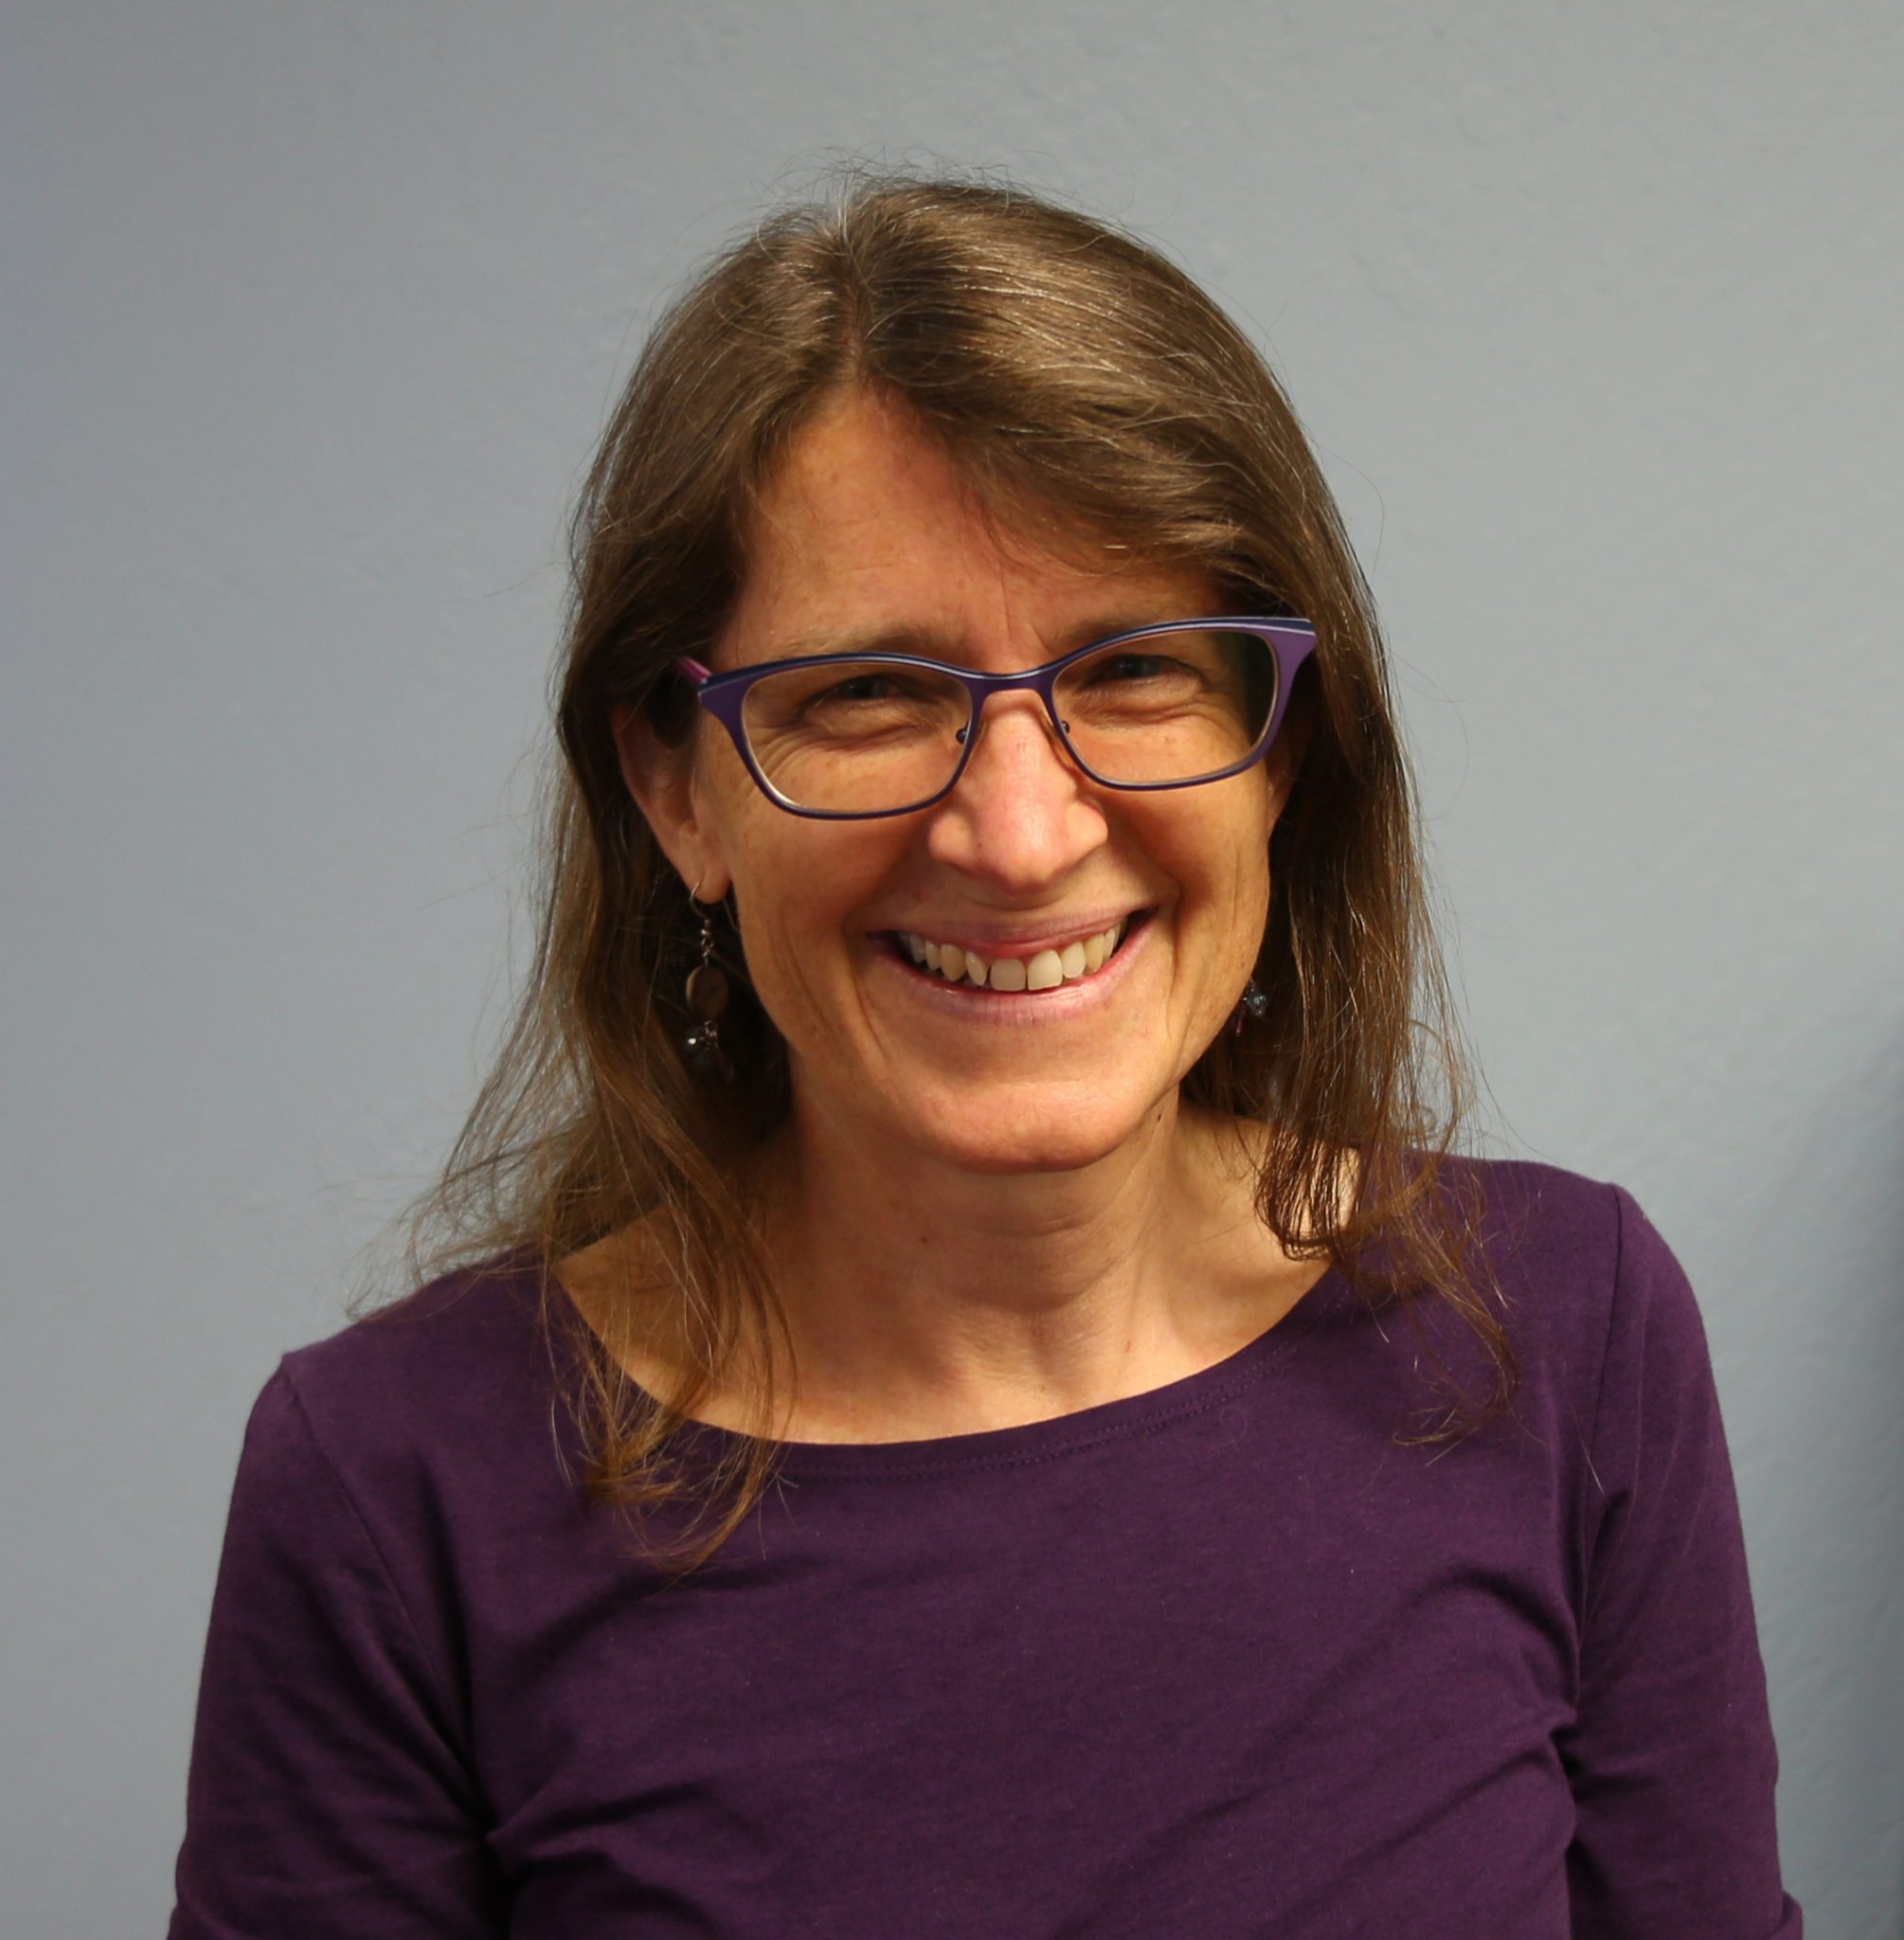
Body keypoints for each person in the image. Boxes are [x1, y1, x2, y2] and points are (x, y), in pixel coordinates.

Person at [169, 172, 1801, 1938]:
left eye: (1137, 673)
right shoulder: (396, 1485)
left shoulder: (1565, 1331)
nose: (1019, 838)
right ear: (672, 788)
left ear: (1281, 752)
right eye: (867, 694)